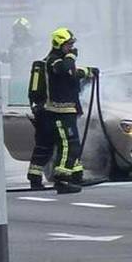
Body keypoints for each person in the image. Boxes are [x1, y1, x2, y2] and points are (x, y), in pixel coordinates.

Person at [27, 27, 96, 194]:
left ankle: (74, 174)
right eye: (68, 44)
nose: (71, 47)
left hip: (63, 111)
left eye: (72, 44)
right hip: (59, 112)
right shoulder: (54, 60)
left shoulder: (61, 60)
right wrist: (72, 56)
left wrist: (88, 71)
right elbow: (66, 71)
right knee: (68, 145)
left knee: (51, 145)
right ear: (59, 44)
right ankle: (62, 179)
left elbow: (72, 73)